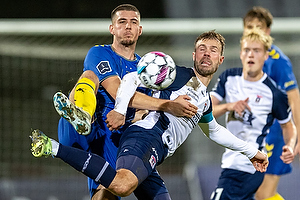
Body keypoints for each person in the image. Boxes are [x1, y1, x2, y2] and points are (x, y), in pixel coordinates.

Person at [30, 30, 269, 200]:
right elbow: (133, 77)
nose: (206, 54)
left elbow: (214, 131)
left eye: (213, 50)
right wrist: (121, 110)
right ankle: (52, 147)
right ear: (194, 55)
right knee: (122, 185)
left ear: (221, 59)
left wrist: (252, 152)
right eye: (201, 50)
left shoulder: (204, 99)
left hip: (155, 150)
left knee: (110, 192)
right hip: (145, 136)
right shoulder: (177, 74)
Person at [51, 4, 197, 200]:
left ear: (140, 30)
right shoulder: (99, 53)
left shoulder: (147, 71)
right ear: (112, 28)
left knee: (108, 193)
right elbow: (117, 91)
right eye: (122, 22)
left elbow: (144, 113)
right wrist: (167, 105)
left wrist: (145, 113)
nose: (128, 26)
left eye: (133, 22)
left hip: (115, 137)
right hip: (86, 128)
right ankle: (82, 113)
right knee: (89, 75)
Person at [209, 28, 296, 200]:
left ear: (265, 56)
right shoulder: (228, 78)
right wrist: (229, 106)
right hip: (230, 162)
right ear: (241, 54)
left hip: (248, 165)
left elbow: (288, 126)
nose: (251, 55)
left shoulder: (274, 93)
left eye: (256, 51)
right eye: (247, 50)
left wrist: (290, 146)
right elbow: (206, 111)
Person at [242, 6, 300, 200]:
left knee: (263, 193)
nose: (253, 30)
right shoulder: (249, 57)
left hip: (276, 132)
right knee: (259, 192)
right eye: (249, 26)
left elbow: (294, 97)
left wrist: (298, 133)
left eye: (258, 27)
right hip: (256, 132)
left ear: (267, 31)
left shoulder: (278, 61)